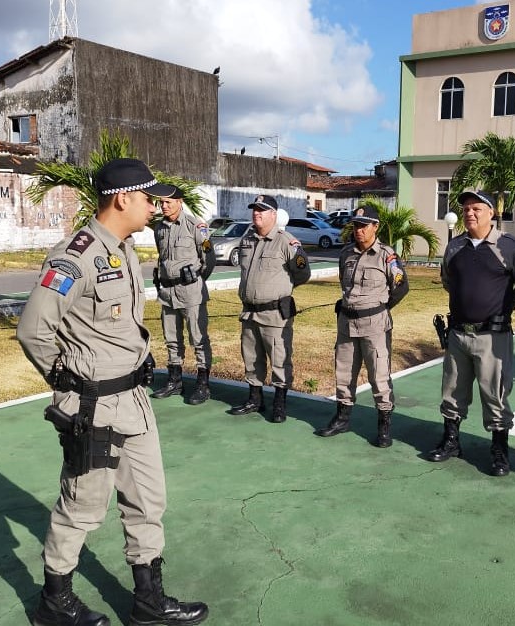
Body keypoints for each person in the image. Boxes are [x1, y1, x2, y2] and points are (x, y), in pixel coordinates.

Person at [17, 158, 207, 626]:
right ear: (123, 198)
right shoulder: (75, 256)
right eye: (148, 197)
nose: (154, 206)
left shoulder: (123, 251)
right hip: (94, 407)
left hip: (134, 402)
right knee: (82, 506)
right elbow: (33, 330)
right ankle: (54, 602)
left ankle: (147, 602)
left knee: (148, 499)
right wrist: (67, 383)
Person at [425, 190, 515, 475]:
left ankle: (499, 451)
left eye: (476, 208)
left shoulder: (510, 247)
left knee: (495, 395)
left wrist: (503, 306)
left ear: (491, 213)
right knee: (452, 392)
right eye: (465, 209)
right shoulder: (455, 247)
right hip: (458, 334)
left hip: (492, 338)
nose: (469, 213)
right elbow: (449, 282)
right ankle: (451, 441)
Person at [315, 205, 409, 447]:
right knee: (344, 373)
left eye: (364, 225)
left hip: (375, 326)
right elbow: (344, 286)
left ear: (375, 227)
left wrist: (378, 308)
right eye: (356, 225)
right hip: (346, 324)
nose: (359, 230)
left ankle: (384, 425)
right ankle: (343, 418)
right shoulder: (346, 253)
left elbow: (400, 288)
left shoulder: (387, 256)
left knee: (379, 375)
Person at [227, 195, 311, 423]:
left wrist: (283, 288)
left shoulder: (287, 242)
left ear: (273, 214)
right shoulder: (247, 239)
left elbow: (303, 273)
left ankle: (280, 404)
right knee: (252, 358)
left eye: (262, 210)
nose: (257, 213)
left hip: (274, 314)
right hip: (250, 312)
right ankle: (255, 398)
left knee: (279, 360)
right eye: (255, 209)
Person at [150, 187, 216, 405]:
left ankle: (203, 384)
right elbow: (162, 258)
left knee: (198, 338)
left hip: (191, 292)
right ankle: (174, 380)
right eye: (161, 203)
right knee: (171, 338)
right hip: (167, 292)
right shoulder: (159, 228)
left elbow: (209, 258)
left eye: (168, 202)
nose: (164, 206)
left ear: (179, 202)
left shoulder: (197, 227)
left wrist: (195, 280)